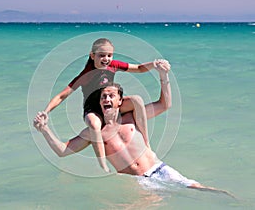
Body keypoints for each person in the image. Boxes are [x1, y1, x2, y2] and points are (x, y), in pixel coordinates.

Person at [33, 60, 235, 197]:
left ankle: (230, 198)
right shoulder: (94, 134)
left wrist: (163, 76)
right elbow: (62, 151)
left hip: (160, 169)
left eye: (111, 95)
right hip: (138, 182)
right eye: (103, 97)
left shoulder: (132, 118)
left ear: (121, 101)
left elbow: (164, 104)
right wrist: (45, 130)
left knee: (198, 190)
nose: (107, 98)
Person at [36, 38, 163, 173]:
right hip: (93, 110)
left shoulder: (114, 65)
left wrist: (154, 64)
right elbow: (62, 96)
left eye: (109, 55)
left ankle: (147, 143)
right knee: (95, 125)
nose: (106, 58)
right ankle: (102, 163)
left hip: (109, 104)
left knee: (137, 100)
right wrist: (46, 111)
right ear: (92, 55)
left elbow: (139, 68)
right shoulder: (86, 74)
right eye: (102, 55)